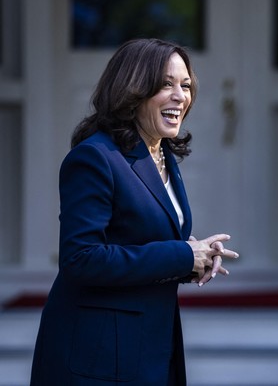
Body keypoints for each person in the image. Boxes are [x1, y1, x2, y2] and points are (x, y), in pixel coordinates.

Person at [30, 38, 239, 385]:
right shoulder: (95, 158)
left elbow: (137, 239)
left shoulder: (162, 155)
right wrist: (180, 255)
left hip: (150, 348)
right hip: (99, 357)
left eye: (185, 86)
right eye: (165, 85)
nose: (180, 96)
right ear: (133, 91)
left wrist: (195, 257)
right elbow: (80, 258)